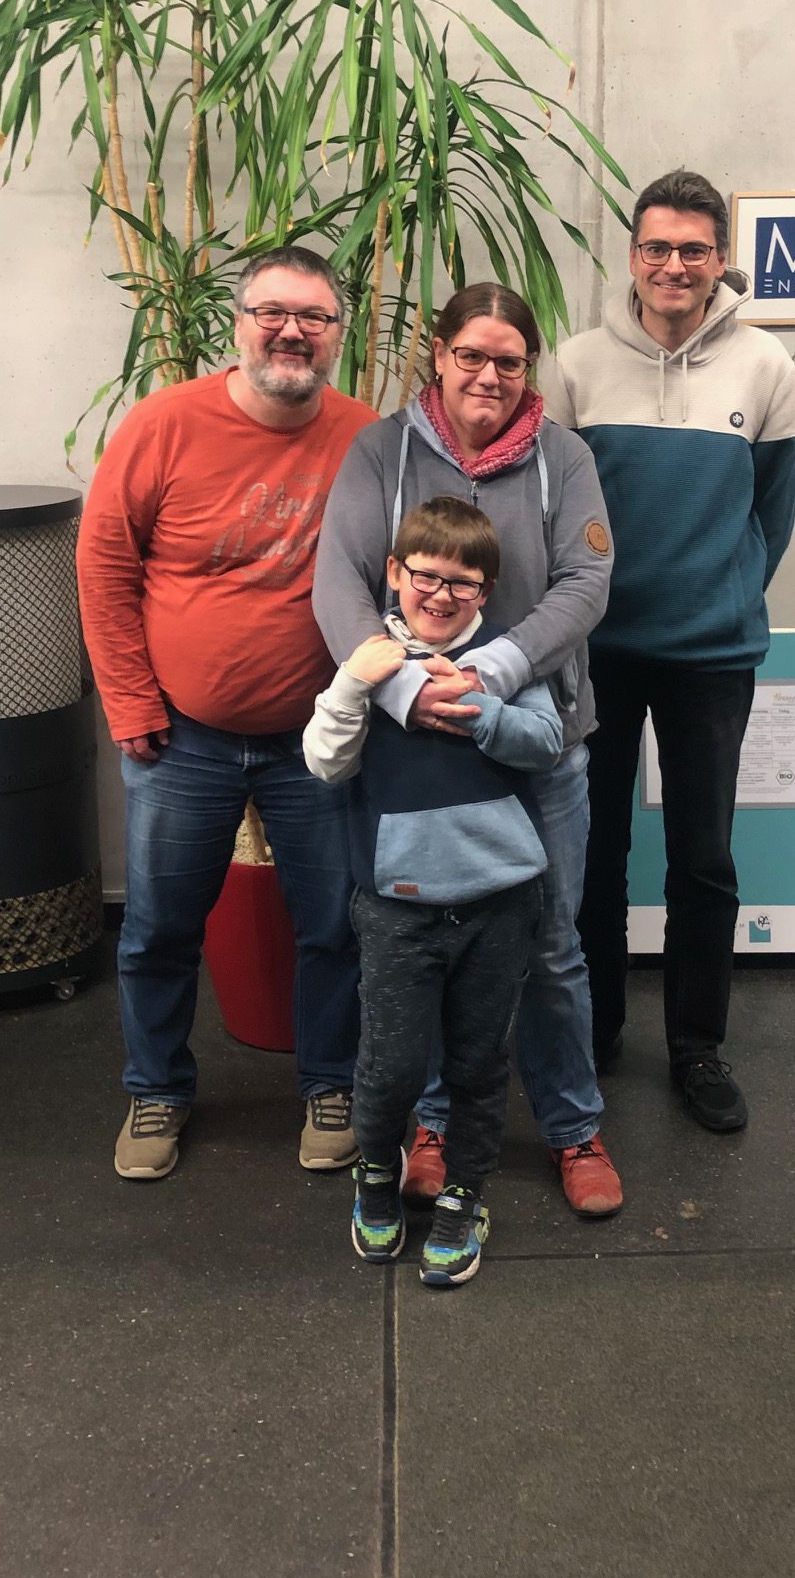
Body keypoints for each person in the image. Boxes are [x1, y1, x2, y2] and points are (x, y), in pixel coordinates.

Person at [312, 284, 623, 1220]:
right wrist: (405, 691)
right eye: (471, 355)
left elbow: (587, 580)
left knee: (555, 946)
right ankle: (437, 1127)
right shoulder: (380, 451)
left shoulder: (565, 458)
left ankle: (574, 1128)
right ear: (439, 355)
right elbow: (340, 586)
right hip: (416, 750)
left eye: (510, 361)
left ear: (530, 369)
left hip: (540, 744)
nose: (489, 375)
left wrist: (491, 670)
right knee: (433, 946)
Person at [76, 244, 377, 1181]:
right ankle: (156, 1089)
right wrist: (130, 701)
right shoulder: (163, 425)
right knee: (159, 929)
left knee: (335, 926)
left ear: (337, 334)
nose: (292, 331)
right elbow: (104, 567)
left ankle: (332, 1083)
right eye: (272, 313)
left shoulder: (366, 438)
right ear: (238, 324)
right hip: (182, 739)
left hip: (317, 742)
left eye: (314, 317)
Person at [541, 168, 795, 1133]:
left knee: (703, 860)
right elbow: (554, 511)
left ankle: (697, 1046)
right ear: (634, 255)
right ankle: (597, 1030)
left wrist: (724, 594)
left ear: (720, 258)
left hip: (711, 656)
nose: (674, 265)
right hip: (597, 650)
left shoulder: (765, 366)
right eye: (657, 247)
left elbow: (773, 513)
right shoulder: (576, 364)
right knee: (596, 851)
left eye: (694, 249)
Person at [304, 497, 562, 1287]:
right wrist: (356, 683)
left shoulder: (502, 658)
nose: (442, 595)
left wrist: (476, 703)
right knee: (389, 1067)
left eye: (463, 582)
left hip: (500, 905)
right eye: (426, 576)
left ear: (486, 590)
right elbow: (325, 761)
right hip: (397, 909)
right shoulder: (370, 660)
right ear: (395, 572)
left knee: (479, 1066)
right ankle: (377, 1177)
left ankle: (463, 1196)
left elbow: (546, 741)